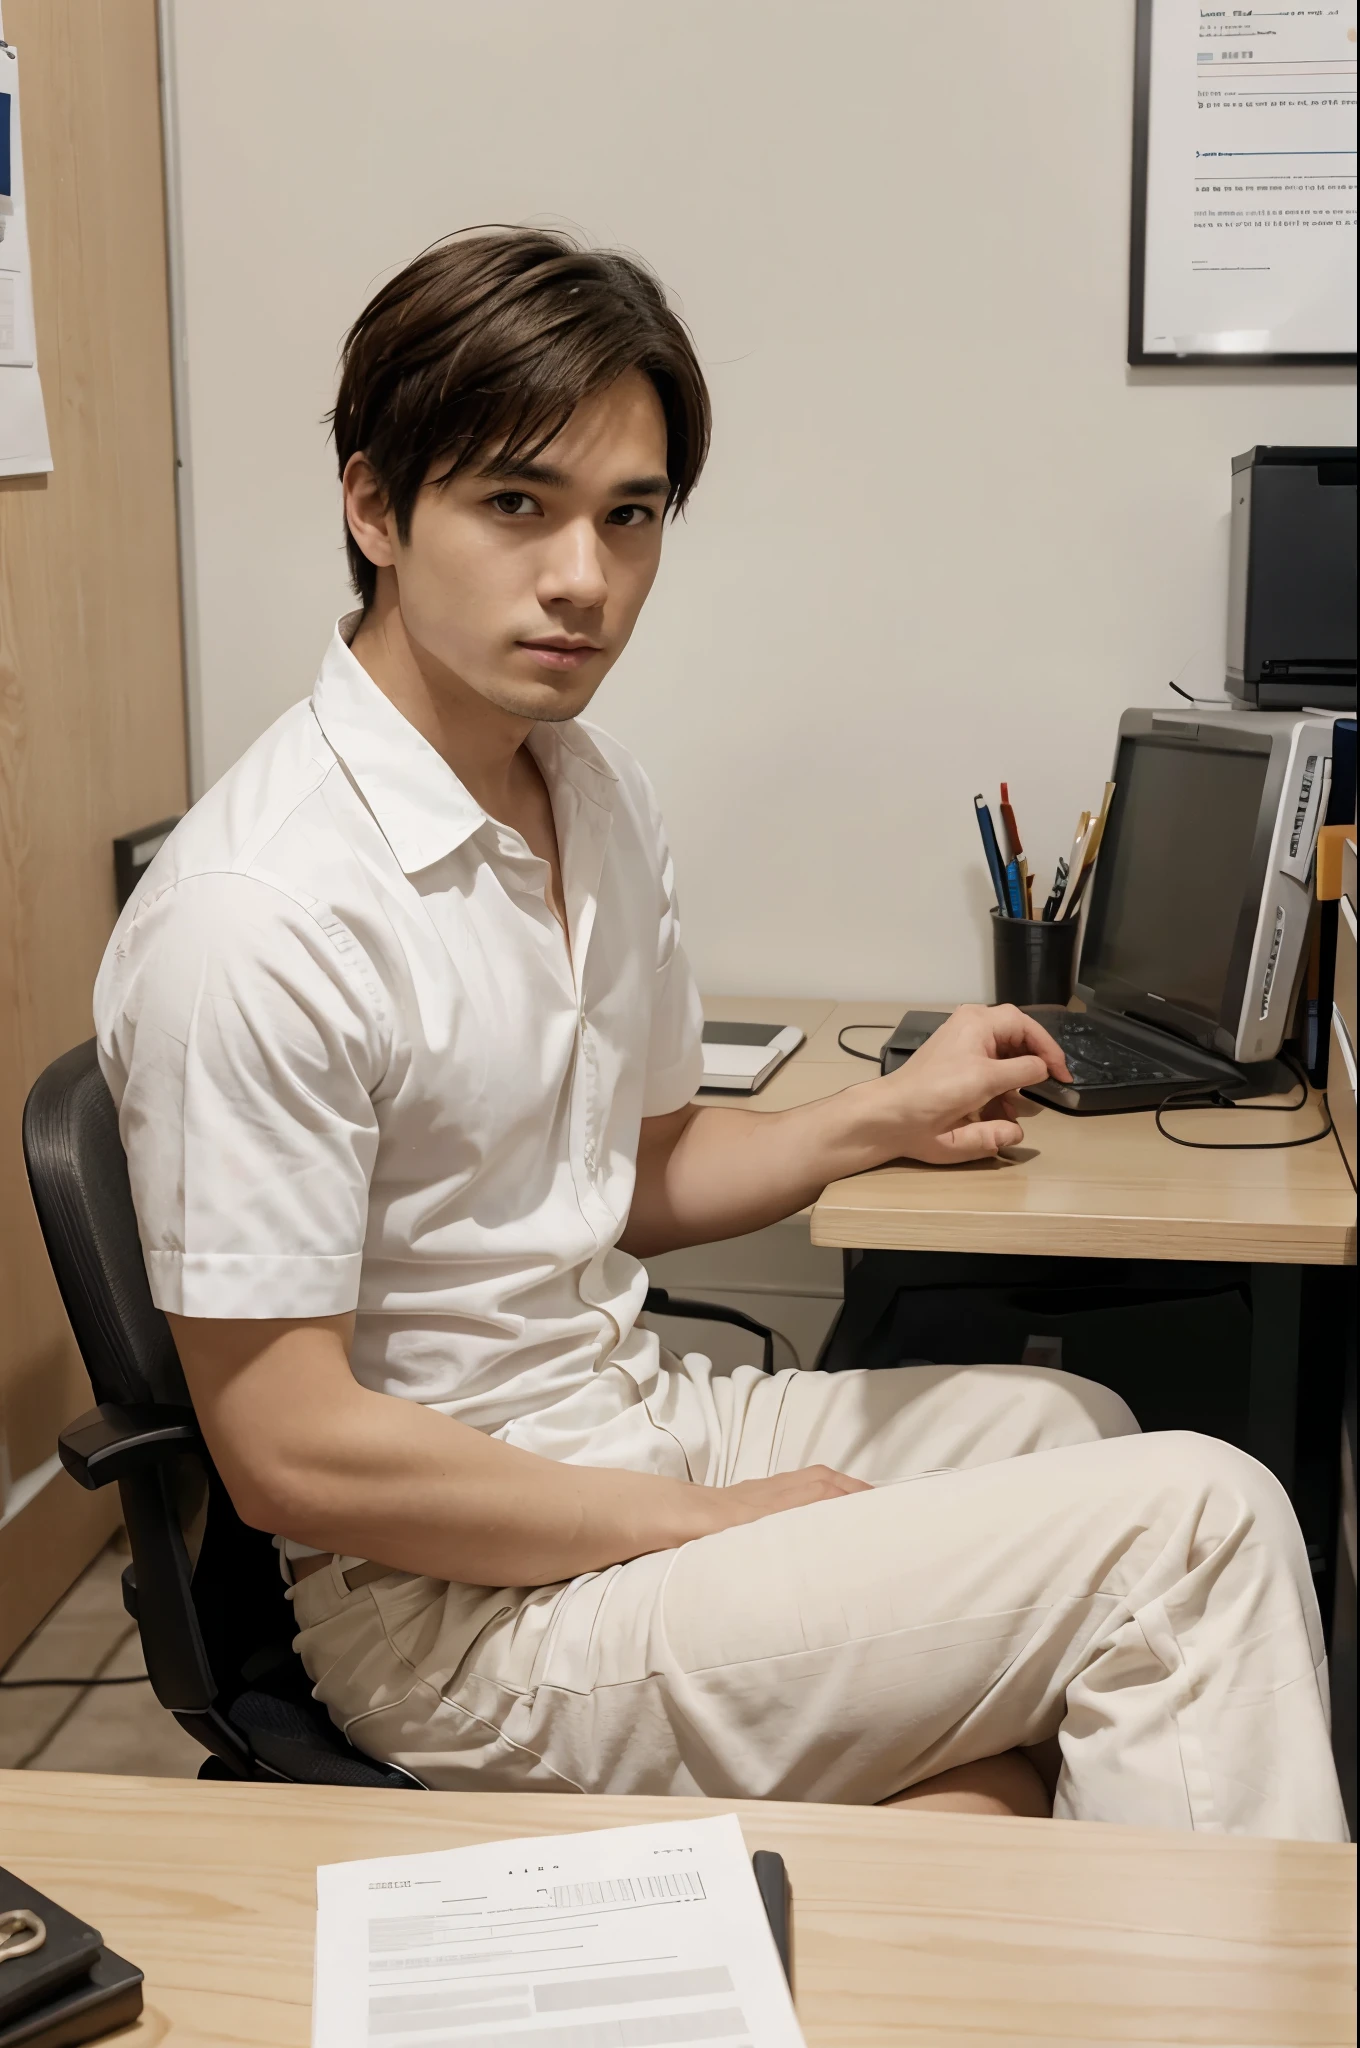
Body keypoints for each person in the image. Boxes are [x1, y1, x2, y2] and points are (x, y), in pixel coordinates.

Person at [95, 228, 1345, 1837]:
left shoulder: (584, 788)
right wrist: (693, 1524)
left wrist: (878, 1122)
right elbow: (287, 1454)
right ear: (374, 508)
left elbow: (627, 1170)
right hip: (461, 1614)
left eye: (632, 516)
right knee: (1198, 1523)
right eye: (515, 504)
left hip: (625, 1407)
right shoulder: (258, 912)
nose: (583, 578)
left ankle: (982, 1868)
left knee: (1067, 1423)